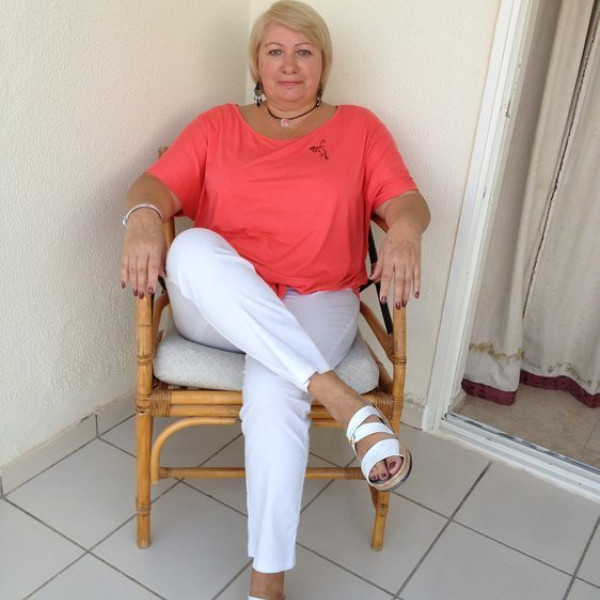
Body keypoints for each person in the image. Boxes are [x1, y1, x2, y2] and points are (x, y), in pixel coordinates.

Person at [121, 2, 430, 598]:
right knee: (191, 250)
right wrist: (140, 218)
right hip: (221, 309)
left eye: (304, 51)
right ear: (257, 65)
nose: (290, 65)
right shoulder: (218, 125)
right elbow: (153, 185)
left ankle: (267, 583)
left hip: (318, 300)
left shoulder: (360, 128)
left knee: (274, 387)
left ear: (324, 64)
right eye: (275, 51)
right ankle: (345, 403)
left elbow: (408, 202)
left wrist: (405, 232)